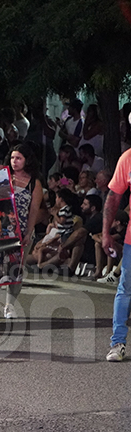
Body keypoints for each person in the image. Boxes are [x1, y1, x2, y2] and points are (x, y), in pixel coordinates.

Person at [0, 144, 43, 319]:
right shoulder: (3, 176)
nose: (15, 162)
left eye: (19, 158)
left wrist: (28, 232)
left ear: (27, 160)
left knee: (15, 268)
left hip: (21, 230)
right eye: (12, 158)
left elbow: (34, 209)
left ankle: (10, 305)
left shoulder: (34, 183)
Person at [101, 148, 131, 361]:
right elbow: (113, 197)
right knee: (126, 287)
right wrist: (105, 233)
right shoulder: (128, 158)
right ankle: (117, 343)